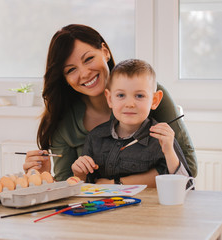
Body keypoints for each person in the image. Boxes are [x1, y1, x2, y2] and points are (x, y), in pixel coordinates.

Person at [23, 24, 197, 182]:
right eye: (71, 70)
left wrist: (114, 184)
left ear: (105, 51)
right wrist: (41, 176)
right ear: (65, 78)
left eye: (88, 59)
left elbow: (188, 168)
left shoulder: (147, 93)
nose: (84, 73)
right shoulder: (64, 120)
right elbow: (68, 183)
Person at [72, 59, 191, 187]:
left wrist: (169, 151)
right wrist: (79, 174)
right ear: (109, 99)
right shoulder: (95, 137)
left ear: (154, 100)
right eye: (121, 95)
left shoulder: (162, 139)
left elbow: (187, 187)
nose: (129, 104)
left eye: (139, 96)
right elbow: (86, 186)